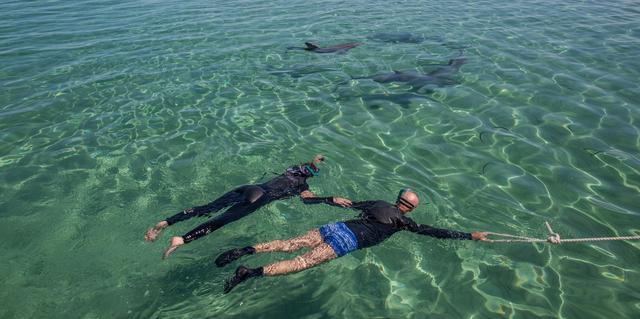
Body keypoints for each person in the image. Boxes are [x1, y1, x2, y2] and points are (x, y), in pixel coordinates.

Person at [216, 189, 487, 293]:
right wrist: (468, 236)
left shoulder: (378, 202)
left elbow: (344, 203)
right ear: (411, 209)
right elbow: (433, 231)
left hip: (337, 226)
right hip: (347, 242)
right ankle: (249, 272)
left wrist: (313, 198)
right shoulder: (405, 222)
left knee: (289, 243)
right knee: (299, 262)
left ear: (396, 199)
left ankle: (247, 250)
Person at [144, 154, 352, 259]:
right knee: (220, 220)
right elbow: (308, 200)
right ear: (311, 177)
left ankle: (165, 222)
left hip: (249, 188)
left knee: (206, 208)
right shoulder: (302, 186)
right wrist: (329, 198)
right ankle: (181, 239)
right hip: (260, 198)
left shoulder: (291, 170)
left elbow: (310, 164)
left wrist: (316, 159)